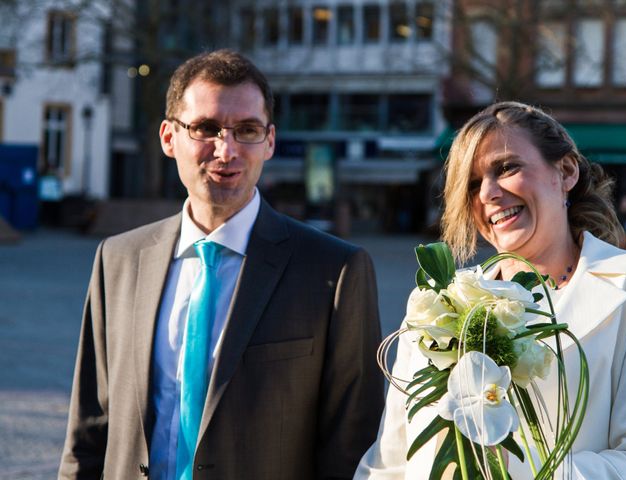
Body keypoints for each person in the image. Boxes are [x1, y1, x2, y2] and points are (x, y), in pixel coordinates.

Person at [59, 49, 384, 479]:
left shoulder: (334, 272)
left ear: (269, 141)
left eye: (247, 130)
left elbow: (351, 449)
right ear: (168, 137)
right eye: (206, 128)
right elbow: (89, 432)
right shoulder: (118, 260)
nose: (226, 150)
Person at [355, 101, 626, 478]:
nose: (488, 193)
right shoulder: (436, 306)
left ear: (566, 171)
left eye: (506, 168)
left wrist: (502, 467)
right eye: (472, 184)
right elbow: (389, 462)